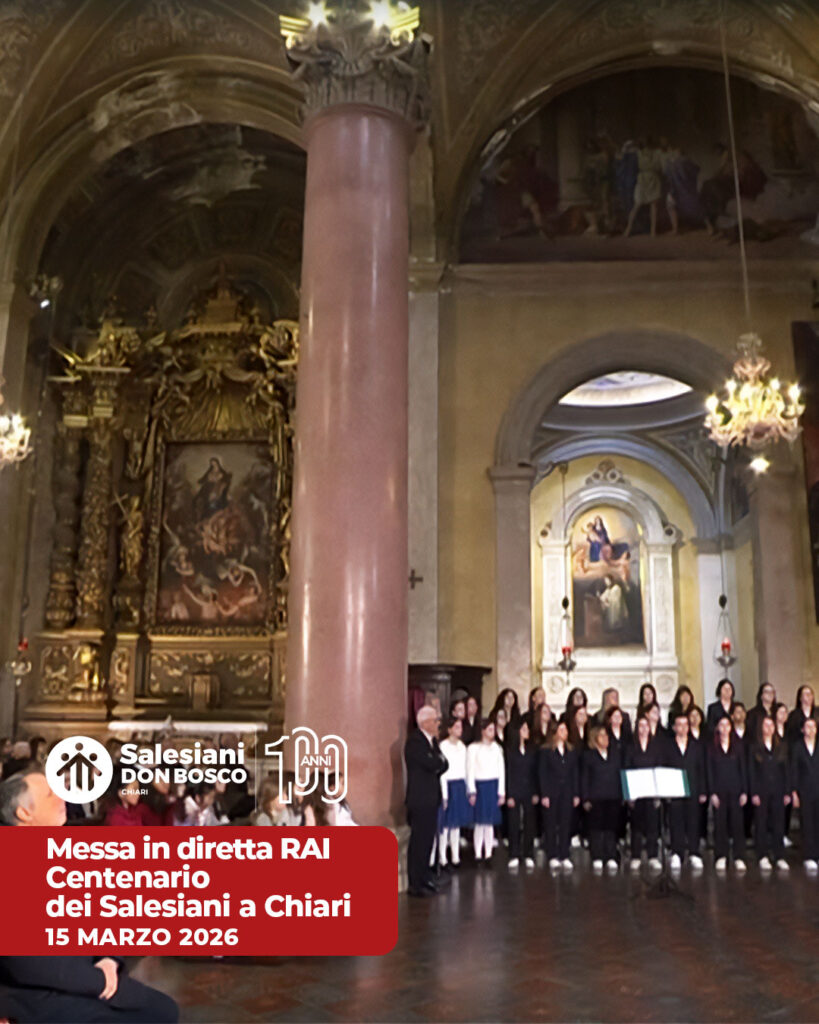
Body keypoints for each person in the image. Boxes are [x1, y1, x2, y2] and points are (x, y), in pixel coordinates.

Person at [0, 769, 178, 1024]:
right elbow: (25, 962)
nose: (62, 797)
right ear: (24, 813)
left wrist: (109, 958)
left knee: (164, 1009)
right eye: (51, 795)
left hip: (86, 975)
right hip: (40, 994)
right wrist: (98, 980)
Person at [404, 705, 448, 897]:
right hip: (420, 800)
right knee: (419, 841)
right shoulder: (415, 742)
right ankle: (416, 882)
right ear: (425, 722)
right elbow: (432, 763)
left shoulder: (433, 742)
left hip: (432, 798)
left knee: (428, 840)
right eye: (435, 720)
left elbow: (444, 763)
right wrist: (436, 762)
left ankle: (425, 877)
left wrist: (436, 762)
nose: (438, 723)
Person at [665, 711, 706, 871]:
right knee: (676, 822)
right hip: (675, 790)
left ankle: (694, 852)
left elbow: (702, 769)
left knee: (693, 821)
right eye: (679, 725)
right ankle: (677, 853)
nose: (682, 728)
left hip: (693, 788)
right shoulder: (668, 747)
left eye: (685, 724)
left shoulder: (696, 746)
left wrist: (703, 790)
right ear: (674, 728)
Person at [749, 715, 791, 872]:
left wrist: (787, 791)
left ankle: (779, 855)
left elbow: (787, 770)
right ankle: (762, 856)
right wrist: (753, 792)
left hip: (779, 790)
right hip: (761, 791)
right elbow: (751, 771)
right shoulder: (755, 747)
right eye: (766, 725)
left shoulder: (781, 746)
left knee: (778, 823)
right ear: (761, 728)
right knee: (761, 823)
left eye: (771, 725)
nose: (769, 728)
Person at [708, 715, 748, 873]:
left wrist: (745, 791)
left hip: (736, 790)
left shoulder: (738, 745)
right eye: (721, 725)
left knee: (738, 824)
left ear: (731, 727)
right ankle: (721, 856)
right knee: (720, 824)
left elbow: (743, 769)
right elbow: (709, 770)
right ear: (717, 728)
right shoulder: (712, 747)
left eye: (727, 725)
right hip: (719, 792)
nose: (724, 728)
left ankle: (739, 857)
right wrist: (712, 792)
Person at [539, 721, 580, 872]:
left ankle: (564, 854)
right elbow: (542, 773)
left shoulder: (571, 751)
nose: (565, 732)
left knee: (565, 823)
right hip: (552, 791)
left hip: (567, 792)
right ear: (555, 732)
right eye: (561, 729)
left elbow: (575, 773)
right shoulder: (546, 751)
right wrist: (544, 794)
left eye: (566, 729)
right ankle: (552, 855)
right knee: (551, 823)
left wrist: (576, 793)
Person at [582, 725, 622, 873]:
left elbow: (619, 774)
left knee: (611, 827)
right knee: (596, 828)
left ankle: (611, 855)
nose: (605, 738)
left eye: (606, 735)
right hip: (596, 797)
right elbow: (585, 778)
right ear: (594, 739)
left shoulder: (615, 754)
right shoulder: (589, 756)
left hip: (613, 796)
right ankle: (597, 856)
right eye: (601, 736)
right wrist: (585, 797)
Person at [466, 718, 505, 867]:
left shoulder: (497, 748)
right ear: (482, 731)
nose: (492, 732)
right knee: (479, 822)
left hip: (492, 785)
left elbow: (501, 771)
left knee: (489, 822)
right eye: (489, 730)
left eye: (493, 730)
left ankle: (488, 853)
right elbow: (470, 770)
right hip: (479, 785)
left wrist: (501, 792)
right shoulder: (473, 748)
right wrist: (472, 791)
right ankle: (477, 853)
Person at [625, 716, 661, 871]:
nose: (644, 729)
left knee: (653, 825)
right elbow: (626, 768)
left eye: (646, 726)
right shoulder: (630, 746)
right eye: (640, 726)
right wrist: (629, 794)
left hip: (652, 791)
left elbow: (659, 767)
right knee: (636, 825)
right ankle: (636, 855)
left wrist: (658, 794)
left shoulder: (656, 746)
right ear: (636, 728)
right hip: (636, 791)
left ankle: (653, 855)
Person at [438, 716, 471, 869]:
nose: (459, 730)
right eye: (456, 727)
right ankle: (443, 857)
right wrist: (444, 794)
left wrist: (468, 789)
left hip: (459, 785)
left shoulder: (463, 747)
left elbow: (466, 769)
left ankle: (456, 856)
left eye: (460, 727)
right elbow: (442, 772)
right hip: (448, 786)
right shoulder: (443, 746)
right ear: (449, 729)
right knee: (445, 824)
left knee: (456, 824)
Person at [505, 721, 538, 870]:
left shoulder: (532, 750)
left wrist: (536, 791)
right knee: (514, 823)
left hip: (529, 791)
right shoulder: (510, 751)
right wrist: (509, 794)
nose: (527, 731)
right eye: (524, 728)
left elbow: (536, 773)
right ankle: (514, 854)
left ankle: (529, 854)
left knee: (529, 823)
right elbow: (508, 773)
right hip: (515, 791)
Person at [791, 717, 819, 872]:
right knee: (807, 823)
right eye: (807, 727)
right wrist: (794, 791)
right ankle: (809, 856)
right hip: (805, 790)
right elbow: (794, 769)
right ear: (802, 730)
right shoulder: (797, 747)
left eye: (813, 727)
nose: (811, 730)